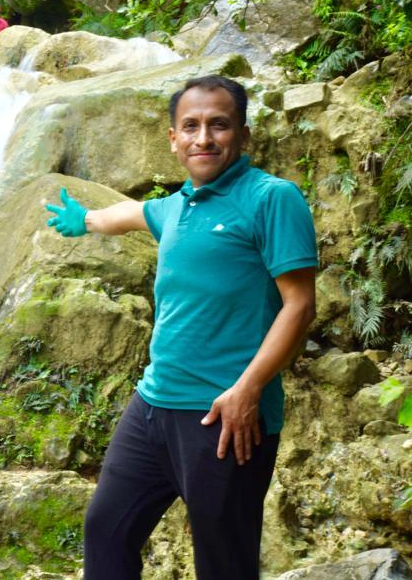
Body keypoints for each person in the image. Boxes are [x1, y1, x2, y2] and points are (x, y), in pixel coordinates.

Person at [45, 75, 317, 579]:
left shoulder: (271, 198)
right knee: (106, 530)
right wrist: (87, 219)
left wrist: (248, 389)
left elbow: (299, 306)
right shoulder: (178, 206)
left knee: (223, 562)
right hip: (152, 406)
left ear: (244, 135)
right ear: (173, 139)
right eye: (190, 126)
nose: (204, 138)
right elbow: (134, 213)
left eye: (219, 125)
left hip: (225, 415)